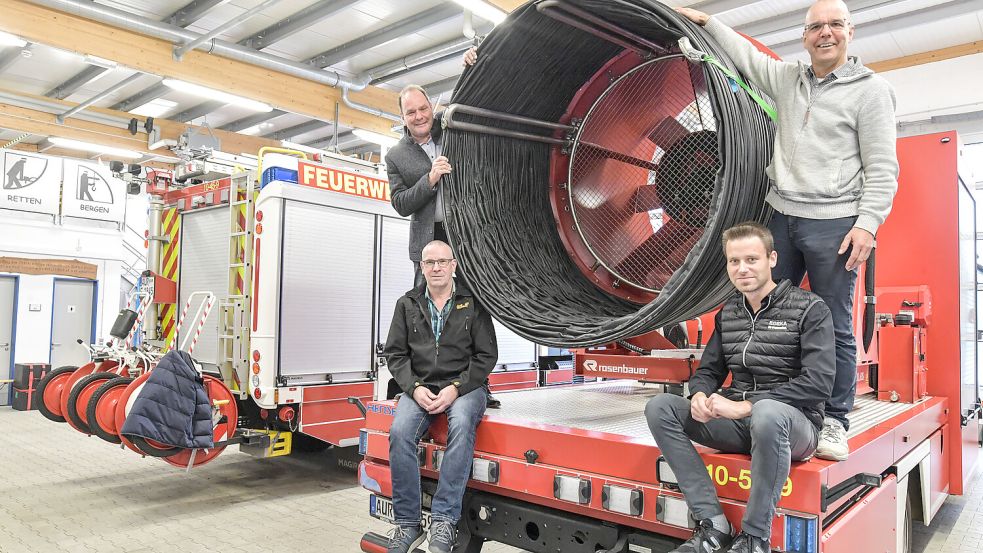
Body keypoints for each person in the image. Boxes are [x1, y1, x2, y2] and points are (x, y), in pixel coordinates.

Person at [675, 0, 899, 461]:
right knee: (753, 306)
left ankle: (834, 419)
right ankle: (750, 398)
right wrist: (710, 21)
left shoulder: (871, 90)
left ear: (850, 32)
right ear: (804, 36)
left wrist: (868, 223)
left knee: (834, 322)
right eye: (816, 26)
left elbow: (882, 167)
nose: (825, 33)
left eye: (835, 25)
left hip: (835, 221)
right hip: (782, 214)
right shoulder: (790, 79)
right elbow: (750, 59)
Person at [646, 222, 835, 553]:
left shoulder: (809, 309)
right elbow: (709, 369)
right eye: (734, 261)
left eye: (752, 259)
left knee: (767, 414)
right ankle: (713, 525)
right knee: (660, 408)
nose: (742, 269)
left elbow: (818, 383)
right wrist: (700, 395)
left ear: (772, 259)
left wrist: (748, 405)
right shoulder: (729, 312)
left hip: (795, 427)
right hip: (742, 422)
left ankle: (754, 538)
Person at [386, 84, 501, 410]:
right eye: (411, 112)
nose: (420, 116)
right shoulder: (396, 156)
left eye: (423, 108)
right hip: (428, 243)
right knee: (421, 315)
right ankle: (417, 384)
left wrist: (471, 59)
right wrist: (430, 180)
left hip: (465, 239)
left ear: (430, 107)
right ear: (403, 117)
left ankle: (479, 384)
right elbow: (400, 203)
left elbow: (472, 93)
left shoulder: (451, 127)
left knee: (475, 308)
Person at [383, 240, 498, 553]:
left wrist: (456, 388)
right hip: (420, 386)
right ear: (422, 267)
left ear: (454, 265)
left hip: (464, 387)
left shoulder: (473, 303)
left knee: (461, 423)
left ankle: (444, 521)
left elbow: (487, 355)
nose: (436, 268)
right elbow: (395, 354)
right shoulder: (406, 304)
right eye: (430, 262)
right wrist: (415, 388)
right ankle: (408, 524)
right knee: (399, 432)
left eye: (442, 262)